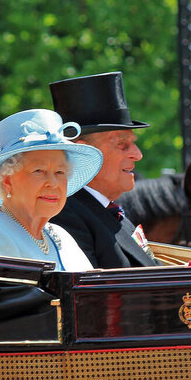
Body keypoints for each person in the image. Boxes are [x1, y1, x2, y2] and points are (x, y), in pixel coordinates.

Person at [0, 109, 103, 272]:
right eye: (39, 171)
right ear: (7, 181)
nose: (53, 183)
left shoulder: (60, 235)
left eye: (60, 172)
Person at [49, 72, 160, 269]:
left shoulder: (109, 211)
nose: (138, 154)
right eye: (122, 144)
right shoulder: (64, 216)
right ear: (85, 153)